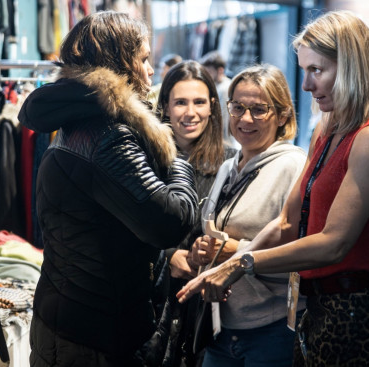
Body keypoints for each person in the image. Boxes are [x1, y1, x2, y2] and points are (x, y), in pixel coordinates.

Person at [178, 10, 369, 366]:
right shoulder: (327, 130)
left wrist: (241, 263)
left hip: (356, 311)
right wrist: (232, 265)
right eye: (305, 70)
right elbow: (287, 221)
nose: (306, 85)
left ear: (351, 67)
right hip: (315, 308)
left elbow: (334, 243)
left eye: (316, 70)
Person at [18, 11, 199, 367]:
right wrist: (176, 157)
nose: (150, 71)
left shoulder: (80, 121)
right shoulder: (108, 137)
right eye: (144, 59)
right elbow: (171, 222)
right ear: (121, 62)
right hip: (92, 337)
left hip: (76, 323)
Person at [190, 64, 305, 367]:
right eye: (237, 107)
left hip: (272, 331)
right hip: (222, 329)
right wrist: (203, 250)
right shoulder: (230, 166)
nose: (245, 118)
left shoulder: (293, 167)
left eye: (258, 109)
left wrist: (231, 250)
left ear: (282, 115)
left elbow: (301, 254)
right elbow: (216, 232)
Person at [150, 60, 235, 365]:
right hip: (154, 300)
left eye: (199, 102)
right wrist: (168, 256)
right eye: (180, 102)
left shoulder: (232, 163)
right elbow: (125, 225)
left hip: (208, 310)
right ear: (165, 107)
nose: (190, 112)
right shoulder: (145, 160)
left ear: (212, 106)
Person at [200, 51, 235, 147]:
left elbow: (222, 118)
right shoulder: (218, 86)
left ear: (220, 70)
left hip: (224, 142)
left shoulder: (224, 89)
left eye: (209, 72)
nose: (207, 76)